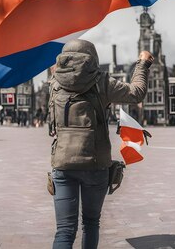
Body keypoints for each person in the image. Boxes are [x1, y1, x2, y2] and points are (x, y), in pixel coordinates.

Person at [48, 39, 152, 249]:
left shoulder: (55, 82)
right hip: (95, 164)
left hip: (63, 163)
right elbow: (136, 92)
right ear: (93, 59)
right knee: (91, 223)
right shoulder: (101, 81)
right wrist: (142, 64)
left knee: (65, 230)